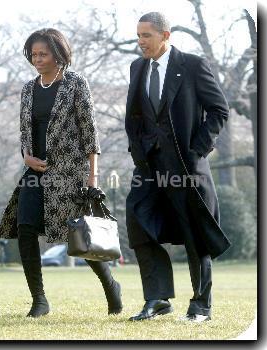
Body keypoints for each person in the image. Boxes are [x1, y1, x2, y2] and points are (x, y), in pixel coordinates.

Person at [0, 28, 122, 318]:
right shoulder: (29, 88)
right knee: (26, 228)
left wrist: (92, 179)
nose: (36, 59)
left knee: (79, 235)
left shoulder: (76, 84)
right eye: (33, 54)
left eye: (42, 54)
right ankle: (39, 300)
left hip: (69, 173)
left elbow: (90, 134)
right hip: (34, 173)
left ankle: (111, 285)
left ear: (58, 54)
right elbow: (25, 132)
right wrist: (26, 156)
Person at [125, 12, 231, 323]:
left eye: (146, 35)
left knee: (195, 234)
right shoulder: (137, 67)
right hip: (148, 165)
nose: (141, 41)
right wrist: (138, 148)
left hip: (186, 166)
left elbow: (219, 109)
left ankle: (201, 306)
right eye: (138, 36)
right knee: (138, 223)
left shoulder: (192, 65)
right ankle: (157, 298)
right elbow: (135, 114)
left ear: (165, 35)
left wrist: (198, 149)